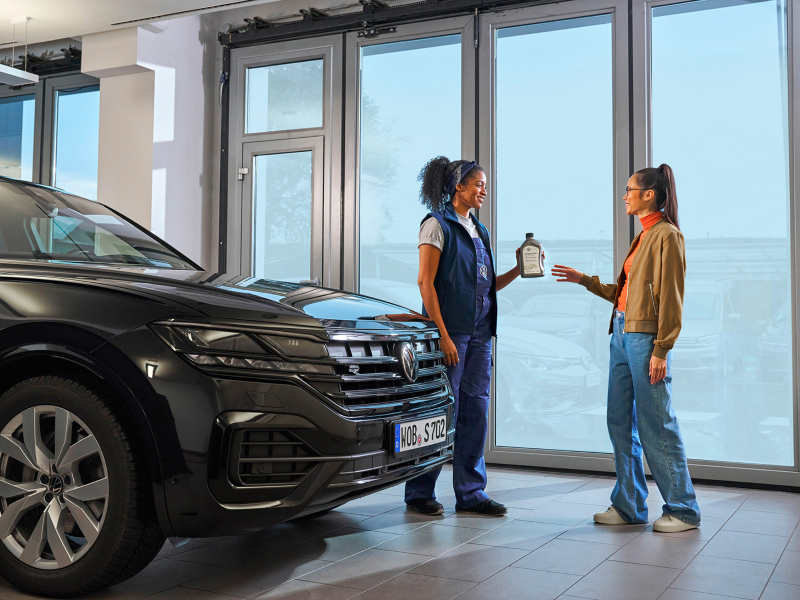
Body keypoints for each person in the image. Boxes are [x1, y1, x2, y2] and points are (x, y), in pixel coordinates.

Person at [551, 164, 701, 533]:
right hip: (621, 333)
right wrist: (584, 280)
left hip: (645, 339)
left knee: (657, 423)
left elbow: (671, 298)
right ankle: (630, 505)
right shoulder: (643, 237)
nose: (625, 195)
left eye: (630, 189)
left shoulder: (667, 235)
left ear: (649, 194)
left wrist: (662, 349)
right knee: (619, 420)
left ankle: (683, 509)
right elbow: (626, 297)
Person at [405, 156, 521, 516]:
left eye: (484, 185)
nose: (484, 190)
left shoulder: (479, 231)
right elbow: (426, 283)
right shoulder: (435, 225)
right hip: (450, 335)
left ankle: (471, 494)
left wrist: (519, 268)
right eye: (478, 184)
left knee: (475, 413)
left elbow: (485, 286)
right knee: (440, 411)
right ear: (458, 187)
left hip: (481, 336)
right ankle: (420, 492)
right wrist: (442, 336)